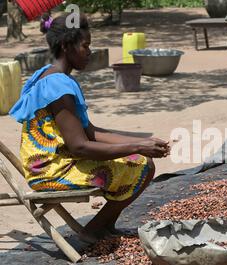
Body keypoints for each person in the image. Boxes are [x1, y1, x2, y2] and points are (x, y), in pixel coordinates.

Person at [9, 13, 171, 243]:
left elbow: (90, 131)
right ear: (66, 46)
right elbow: (80, 147)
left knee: (137, 157)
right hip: (51, 171)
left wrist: (143, 140)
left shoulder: (48, 75)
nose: (90, 51)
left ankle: (106, 225)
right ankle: (93, 229)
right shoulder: (58, 85)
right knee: (142, 165)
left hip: (56, 163)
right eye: (85, 45)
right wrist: (138, 147)